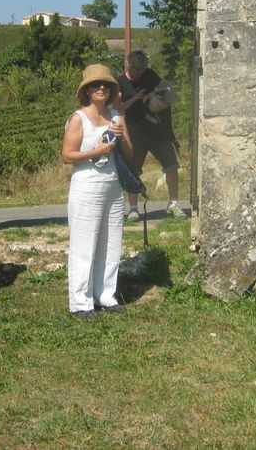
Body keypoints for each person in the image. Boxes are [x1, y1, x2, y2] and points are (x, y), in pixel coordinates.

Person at [62, 64, 132, 319]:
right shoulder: (78, 118)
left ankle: (105, 295)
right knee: (84, 243)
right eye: (95, 85)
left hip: (113, 186)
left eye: (106, 85)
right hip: (87, 186)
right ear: (87, 91)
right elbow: (67, 155)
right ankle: (81, 302)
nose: (101, 88)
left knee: (111, 241)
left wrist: (122, 137)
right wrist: (97, 151)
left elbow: (131, 154)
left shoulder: (116, 116)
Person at [116, 51, 186, 220]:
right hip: (134, 129)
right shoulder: (120, 82)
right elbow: (118, 109)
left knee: (171, 165)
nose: (140, 73)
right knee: (133, 169)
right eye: (136, 69)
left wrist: (151, 95)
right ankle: (133, 208)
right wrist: (136, 99)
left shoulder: (149, 75)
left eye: (142, 69)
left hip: (156, 127)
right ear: (128, 66)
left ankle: (173, 204)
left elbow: (165, 88)